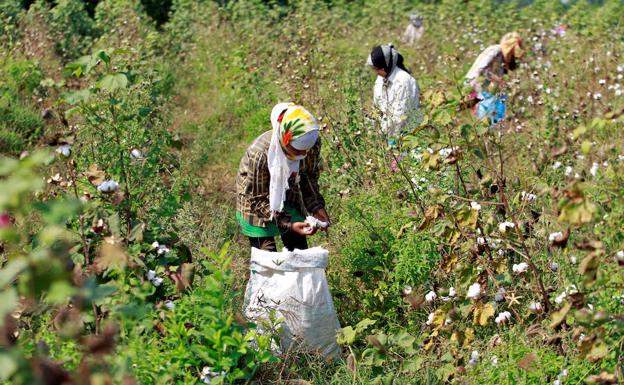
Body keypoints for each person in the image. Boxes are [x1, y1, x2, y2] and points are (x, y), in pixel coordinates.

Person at [236, 102, 330, 252]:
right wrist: (289, 224)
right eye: (297, 150)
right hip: (256, 201)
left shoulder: (310, 144)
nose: (302, 155)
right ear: (284, 139)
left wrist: (316, 206)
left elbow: (308, 176)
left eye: (306, 150)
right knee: (267, 261)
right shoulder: (260, 154)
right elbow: (257, 199)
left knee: (299, 253)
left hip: (288, 191)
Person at [367, 44, 420, 146]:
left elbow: (400, 116)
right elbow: (377, 106)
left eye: (378, 69)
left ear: (386, 66)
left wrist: (382, 133)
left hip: (407, 135)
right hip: (388, 134)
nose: (376, 72)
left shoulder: (403, 81)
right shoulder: (381, 79)